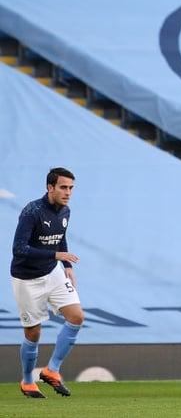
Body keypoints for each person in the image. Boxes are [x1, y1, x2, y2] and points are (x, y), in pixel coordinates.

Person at [11, 167, 84, 398]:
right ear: (49, 187)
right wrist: (56, 256)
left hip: (52, 272)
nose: (68, 192)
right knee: (33, 333)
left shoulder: (65, 211)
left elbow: (60, 238)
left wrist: (67, 266)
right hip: (27, 278)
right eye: (63, 187)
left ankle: (52, 370)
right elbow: (19, 249)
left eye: (71, 188)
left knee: (77, 316)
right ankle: (27, 381)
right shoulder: (32, 212)